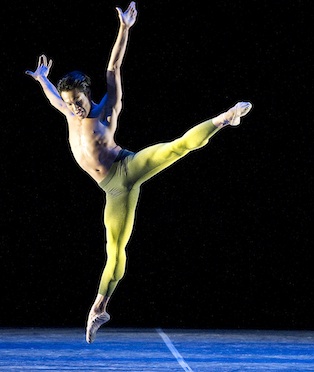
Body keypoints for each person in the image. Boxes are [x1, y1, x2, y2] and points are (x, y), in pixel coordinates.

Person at [25, 1, 252, 343]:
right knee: (114, 249)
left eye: (78, 101)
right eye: (70, 101)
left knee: (175, 148)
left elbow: (113, 67)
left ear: (89, 95)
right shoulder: (68, 111)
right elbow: (53, 98)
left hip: (127, 167)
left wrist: (124, 28)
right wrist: (43, 79)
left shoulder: (105, 110)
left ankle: (225, 118)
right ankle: (99, 308)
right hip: (113, 189)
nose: (73, 106)